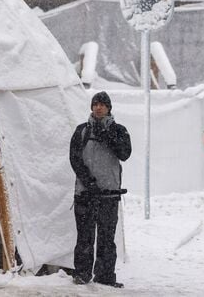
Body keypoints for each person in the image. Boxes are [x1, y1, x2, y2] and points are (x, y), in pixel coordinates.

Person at [70, 91, 131, 288]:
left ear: (109, 108)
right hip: (85, 194)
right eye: (95, 104)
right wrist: (89, 183)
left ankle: (105, 276)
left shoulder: (119, 130)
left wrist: (108, 135)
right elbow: (75, 159)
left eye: (102, 104)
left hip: (109, 195)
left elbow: (125, 153)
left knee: (106, 237)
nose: (98, 107)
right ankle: (82, 274)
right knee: (85, 237)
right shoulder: (82, 131)